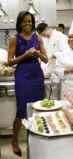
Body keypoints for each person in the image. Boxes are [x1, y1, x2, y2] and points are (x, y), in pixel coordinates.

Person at [6, 11, 48, 157]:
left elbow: (46, 59)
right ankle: (14, 140)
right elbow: (9, 61)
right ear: (20, 23)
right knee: (21, 110)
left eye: (30, 21)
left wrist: (37, 53)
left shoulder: (38, 38)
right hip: (22, 76)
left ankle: (37, 138)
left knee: (37, 108)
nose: (28, 24)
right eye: (24, 21)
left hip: (37, 75)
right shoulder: (14, 39)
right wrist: (24, 55)